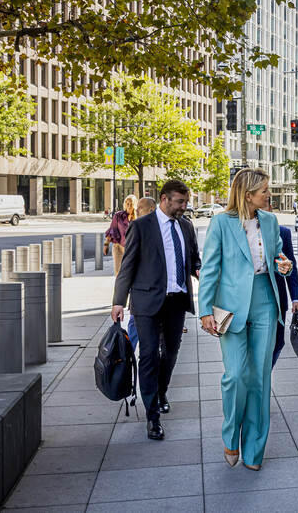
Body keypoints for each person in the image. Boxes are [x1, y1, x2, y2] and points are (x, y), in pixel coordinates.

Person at [198, 168, 293, 471]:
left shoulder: (271, 220)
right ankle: (231, 436)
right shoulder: (221, 223)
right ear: (248, 194)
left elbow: (278, 259)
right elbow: (210, 269)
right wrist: (204, 310)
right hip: (230, 308)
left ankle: (254, 450)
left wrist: (285, 266)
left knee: (260, 378)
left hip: (266, 301)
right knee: (236, 375)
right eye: (264, 190)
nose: (269, 194)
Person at [111, 181, 201, 441]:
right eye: (180, 202)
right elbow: (127, 266)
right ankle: (152, 417)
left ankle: (161, 392)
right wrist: (118, 301)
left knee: (170, 354)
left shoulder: (186, 226)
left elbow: (193, 257)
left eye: (186, 202)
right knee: (149, 355)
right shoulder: (141, 226)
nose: (184, 207)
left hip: (176, 301)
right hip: (146, 302)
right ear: (164, 199)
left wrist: (198, 269)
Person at [266, 200, 298, 366]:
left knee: (278, 342)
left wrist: (296, 297)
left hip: (279, 299)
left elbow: (291, 265)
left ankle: (265, 375)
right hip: (253, 301)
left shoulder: (283, 233)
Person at [125, 196, 157, 348]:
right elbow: (129, 263)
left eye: (139, 208)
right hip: (140, 292)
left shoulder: (156, 228)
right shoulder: (136, 226)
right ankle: (128, 353)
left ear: (151, 209)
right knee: (134, 324)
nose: (136, 211)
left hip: (153, 291)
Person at [104, 194, 137, 275]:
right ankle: (119, 288)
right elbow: (112, 229)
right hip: (118, 247)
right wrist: (106, 244)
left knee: (131, 273)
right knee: (119, 272)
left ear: (135, 204)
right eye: (127, 203)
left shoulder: (138, 218)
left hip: (132, 249)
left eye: (131, 203)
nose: (129, 205)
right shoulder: (118, 215)